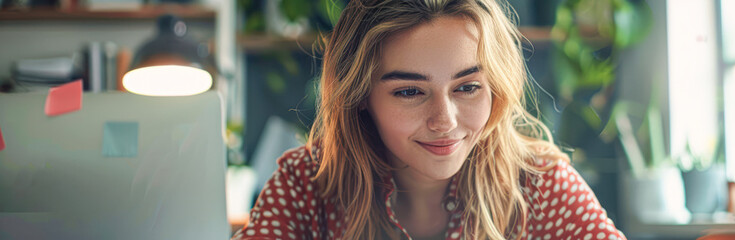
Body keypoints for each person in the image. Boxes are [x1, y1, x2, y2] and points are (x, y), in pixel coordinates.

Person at [231, 0, 626, 239]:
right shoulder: (307, 182)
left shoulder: (540, 184)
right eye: (409, 91)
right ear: (360, 97)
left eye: (468, 87)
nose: (444, 121)